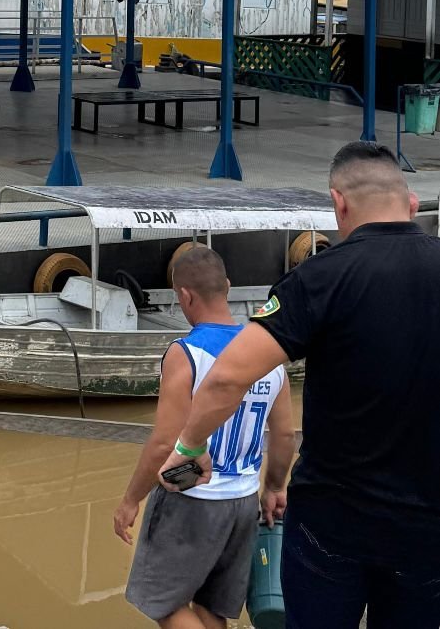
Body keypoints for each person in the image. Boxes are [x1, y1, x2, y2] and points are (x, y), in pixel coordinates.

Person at [158, 142, 440, 628]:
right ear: (410, 203)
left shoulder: (319, 278)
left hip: (332, 522)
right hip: (428, 524)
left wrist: (191, 446)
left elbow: (228, 375)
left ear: (339, 202)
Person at [116, 246, 295, 628]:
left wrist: (131, 500)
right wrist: (275, 487)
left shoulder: (186, 353)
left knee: (162, 603)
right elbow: (283, 434)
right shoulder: (268, 355)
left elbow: (165, 444)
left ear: (184, 296)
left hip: (192, 499)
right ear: (227, 287)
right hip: (244, 500)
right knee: (213, 606)